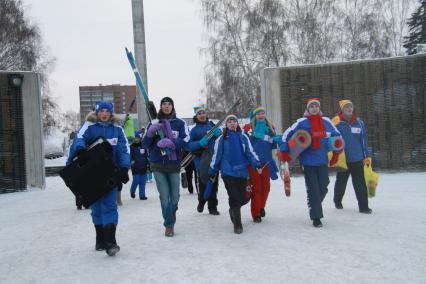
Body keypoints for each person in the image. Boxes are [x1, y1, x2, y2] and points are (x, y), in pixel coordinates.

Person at [67, 100, 130, 256]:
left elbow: (124, 149)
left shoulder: (117, 130)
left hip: (110, 172)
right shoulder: (88, 126)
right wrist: (81, 150)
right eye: (102, 111)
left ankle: (110, 241)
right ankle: (100, 238)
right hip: (91, 174)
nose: (105, 114)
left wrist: (124, 168)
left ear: (111, 113)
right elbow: (78, 139)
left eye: (107, 111)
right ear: (97, 112)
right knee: (96, 206)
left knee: (109, 205)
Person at [278, 98, 341, 228]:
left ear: (319, 108)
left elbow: (338, 137)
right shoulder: (302, 122)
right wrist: (284, 151)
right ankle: (316, 217)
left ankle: (314, 203)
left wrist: (336, 153)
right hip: (308, 161)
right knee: (313, 189)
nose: (314, 108)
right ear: (308, 109)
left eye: (316, 106)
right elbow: (286, 135)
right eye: (311, 106)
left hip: (322, 160)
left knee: (324, 185)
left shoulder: (326, 121)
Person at [142, 97, 189, 237]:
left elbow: (186, 140)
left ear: (172, 106)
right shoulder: (154, 123)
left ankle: (171, 211)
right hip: (157, 165)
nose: (166, 106)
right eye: (164, 104)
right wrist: (150, 133)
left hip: (174, 165)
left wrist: (173, 143)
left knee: (175, 197)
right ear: (160, 107)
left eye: (169, 104)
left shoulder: (180, 123)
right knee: (164, 197)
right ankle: (169, 225)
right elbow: (144, 144)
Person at [209, 114, 262, 234]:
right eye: (230, 122)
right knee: (234, 197)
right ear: (226, 125)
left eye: (234, 121)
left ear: (237, 123)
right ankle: (238, 224)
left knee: (243, 198)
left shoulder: (243, 137)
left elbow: (250, 152)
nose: (232, 123)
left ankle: (233, 210)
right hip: (228, 172)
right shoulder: (221, 139)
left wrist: (257, 164)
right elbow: (216, 156)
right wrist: (213, 171)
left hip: (242, 172)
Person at [332, 100, 372, 214]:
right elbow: (330, 139)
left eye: (351, 107)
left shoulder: (359, 123)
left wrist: (366, 156)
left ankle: (364, 206)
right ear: (342, 110)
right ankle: (337, 200)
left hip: (357, 158)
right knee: (341, 182)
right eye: (346, 107)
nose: (349, 109)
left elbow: (363, 140)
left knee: (360, 183)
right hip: (342, 159)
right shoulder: (336, 122)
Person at [243, 106, 281, 223]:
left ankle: (261, 207)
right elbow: (244, 144)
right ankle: (256, 213)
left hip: (267, 162)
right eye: (258, 114)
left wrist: (277, 140)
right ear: (255, 116)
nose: (261, 115)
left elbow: (273, 145)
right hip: (254, 164)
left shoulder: (270, 128)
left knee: (266, 188)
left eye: (263, 113)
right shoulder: (248, 128)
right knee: (257, 189)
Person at [187, 106, 221, 215]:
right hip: (200, 162)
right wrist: (199, 143)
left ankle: (212, 207)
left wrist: (219, 133)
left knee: (214, 185)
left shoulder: (212, 126)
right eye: (199, 113)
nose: (202, 115)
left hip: (213, 161)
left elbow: (222, 140)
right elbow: (189, 145)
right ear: (196, 116)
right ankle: (201, 201)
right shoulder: (194, 130)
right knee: (202, 184)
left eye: (203, 113)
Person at [129, 135, 149, 200]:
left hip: (144, 165)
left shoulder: (143, 146)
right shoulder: (131, 147)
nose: (136, 139)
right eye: (135, 138)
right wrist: (131, 161)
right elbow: (130, 156)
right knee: (136, 180)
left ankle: (142, 196)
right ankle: (132, 191)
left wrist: (148, 163)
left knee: (143, 181)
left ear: (140, 139)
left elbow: (146, 155)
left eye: (138, 138)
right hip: (135, 166)